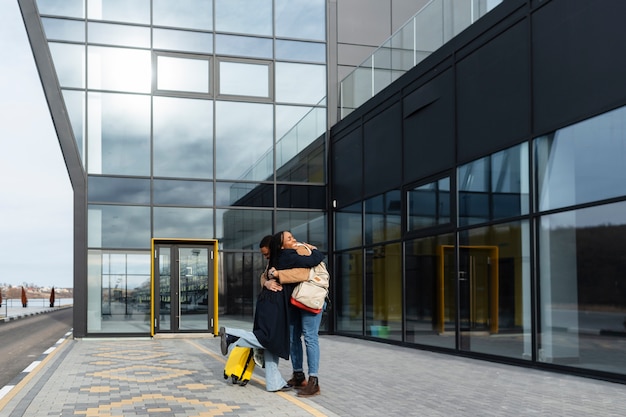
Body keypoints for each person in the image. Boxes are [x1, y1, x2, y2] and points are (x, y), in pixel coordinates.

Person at [218, 235, 292, 392]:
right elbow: (265, 277)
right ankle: (233, 336)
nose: (265, 258)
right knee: (267, 338)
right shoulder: (279, 259)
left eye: (266, 254)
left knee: (271, 343)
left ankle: (274, 382)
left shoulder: (283, 257)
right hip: (273, 305)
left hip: (271, 303)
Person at [268, 231, 326, 397]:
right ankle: (299, 376)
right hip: (295, 300)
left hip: (309, 298)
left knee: (308, 337)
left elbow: (305, 273)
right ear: (281, 245)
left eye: (292, 237)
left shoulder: (294, 252)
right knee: (297, 337)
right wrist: (267, 281)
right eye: (289, 238)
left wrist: (278, 275)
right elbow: (265, 273)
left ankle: (313, 380)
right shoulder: (288, 253)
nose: (294, 240)